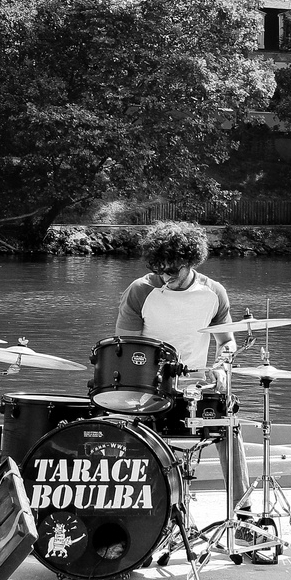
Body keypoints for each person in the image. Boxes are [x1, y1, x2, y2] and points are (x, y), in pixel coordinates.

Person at [114, 221, 255, 548]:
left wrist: (221, 367)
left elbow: (228, 343)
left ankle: (243, 517)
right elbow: (125, 351)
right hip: (149, 391)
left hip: (197, 387)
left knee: (228, 424)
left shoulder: (213, 293)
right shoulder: (140, 291)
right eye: (158, 270)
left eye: (173, 270)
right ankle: (168, 520)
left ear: (192, 261)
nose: (165, 276)